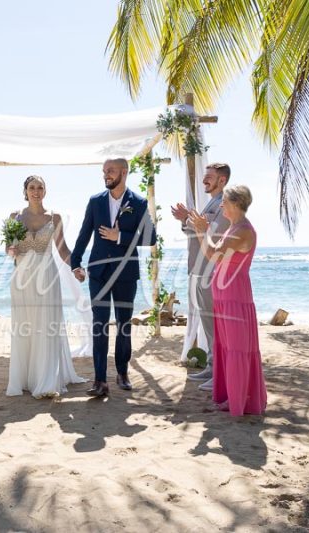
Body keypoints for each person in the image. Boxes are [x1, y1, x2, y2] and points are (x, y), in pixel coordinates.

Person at [70, 158, 157, 397]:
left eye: (110, 171)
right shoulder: (95, 201)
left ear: (124, 172)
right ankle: (100, 380)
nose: (106, 175)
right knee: (99, 326)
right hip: (98, 272)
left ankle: (122, 372)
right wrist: (75, 263)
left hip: (125, 273)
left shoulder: (138, 203)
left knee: (124, 325)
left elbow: (151, 238)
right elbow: (84, 234)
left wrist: (121, 236)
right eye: (104, 171)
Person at [188, 185, 267, 416]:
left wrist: (202, 231)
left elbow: (213, 254)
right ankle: (231, 396)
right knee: (226, 348)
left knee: (237, 350)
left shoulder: (243, 231)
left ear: (235, 203)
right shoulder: (234, 227)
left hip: (235, 297)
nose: (221, 204)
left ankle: (240, 401)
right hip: (224, 295)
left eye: (224, 201)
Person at [6, 175, 86, 398]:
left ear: (45, 191)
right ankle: (24, 378)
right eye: (32, 187)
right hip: (22, 277)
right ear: (25, 191)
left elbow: (62, 250)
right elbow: (9, 247)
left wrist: (76, 267)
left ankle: (46, 379)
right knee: (25, 327)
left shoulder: (54, 217)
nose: (36, 191)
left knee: (46, 326)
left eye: (40, 187)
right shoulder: (15, 216)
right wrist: (11, 250)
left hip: (47, 277)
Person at [171, 163, 231, 392]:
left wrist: (189, 219)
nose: (205, 180)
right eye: (205, 177)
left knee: (215, 323)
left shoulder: (224, 202)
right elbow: (195, 229)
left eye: (209, 177)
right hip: (199, 268)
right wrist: (186, 220)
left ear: (222, 180)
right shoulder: (211, 202)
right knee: (207, 323)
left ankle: (220, 372)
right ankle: (212, 365)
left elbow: (213, 232)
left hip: (210, 269)